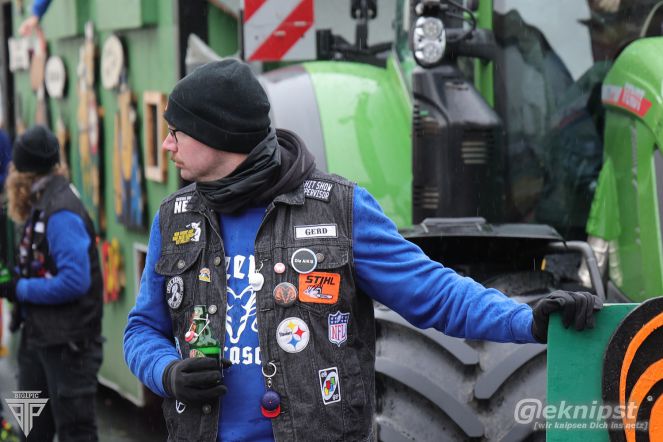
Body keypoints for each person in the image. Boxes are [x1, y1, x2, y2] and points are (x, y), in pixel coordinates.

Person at [123, 59, 601, 442]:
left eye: (176, 131)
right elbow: (141, 329)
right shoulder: (175, 218)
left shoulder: (340, 210)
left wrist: (526, 320)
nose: (166, 144)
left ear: (219, 134)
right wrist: (168, 371)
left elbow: (435, 292)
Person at [0, 125, 103, 441]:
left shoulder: (61, 211)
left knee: (76, 433)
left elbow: (75, 281)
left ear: (23, 172)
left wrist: (20, 288)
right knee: (31, 430)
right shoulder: (42, 201)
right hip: (37, 339)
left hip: (68, 346)